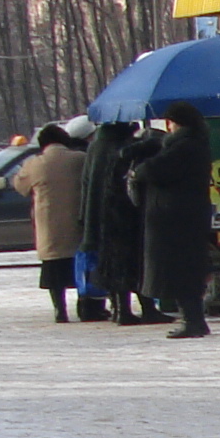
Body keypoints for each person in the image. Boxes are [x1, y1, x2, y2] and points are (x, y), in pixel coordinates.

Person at [127, 102, 215, 339]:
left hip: (175, 218)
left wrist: (139, 170)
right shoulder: (195, 144)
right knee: (185, 269)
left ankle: (193, 320)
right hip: (187, 216)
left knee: (180, 270)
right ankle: (193, 319)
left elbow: (154, 170)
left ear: (177, 123)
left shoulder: (184, 147)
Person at [12, 124, 86, 321]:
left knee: (54, 270)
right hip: (77, 223)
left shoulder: (35, 164)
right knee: (80, 268)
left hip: (49, 225)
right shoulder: (80, 159)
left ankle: (60, 310)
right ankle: (85, 305)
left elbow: (20, 186)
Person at [82, 119, 146, 325]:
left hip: (99, 213)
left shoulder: (95, 147)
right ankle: (133, 309)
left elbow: (86, 183)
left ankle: (120, 308)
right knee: (130, 260)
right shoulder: (120, 148)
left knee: (111, 261)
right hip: (121, 212)